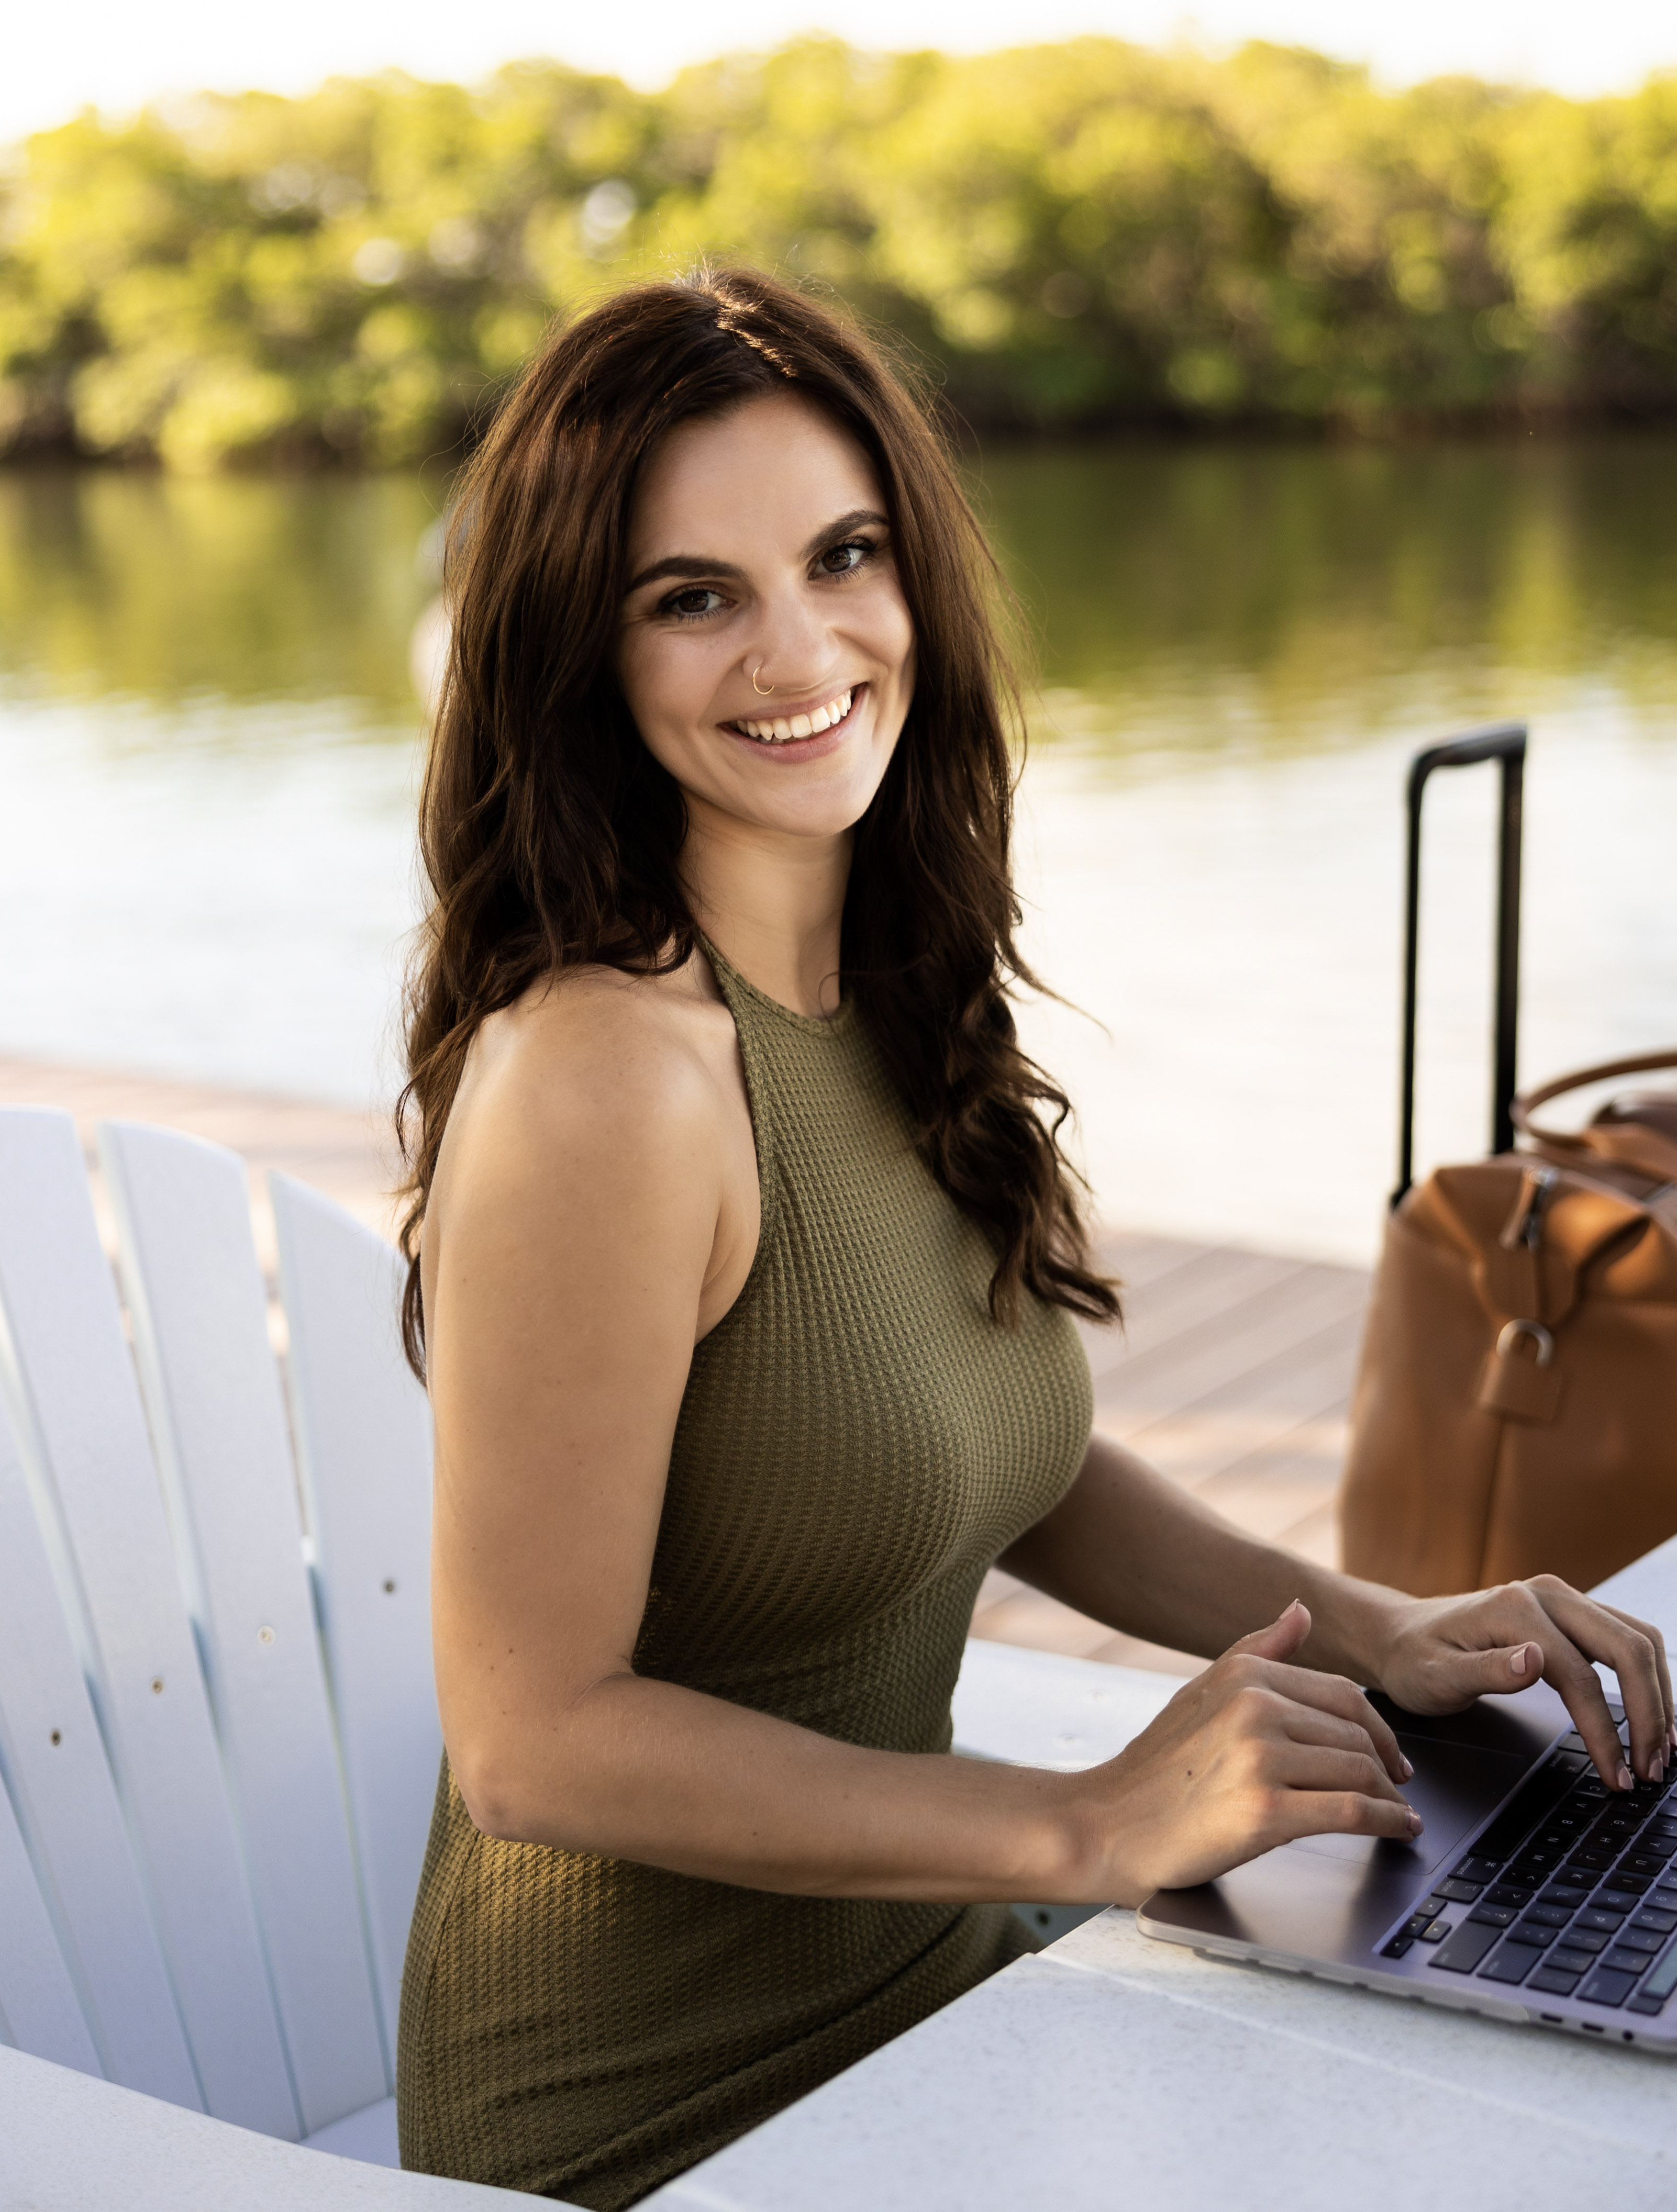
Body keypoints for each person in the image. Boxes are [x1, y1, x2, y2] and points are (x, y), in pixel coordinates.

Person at [393, 267, 1672, 2208]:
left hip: (952, 1988)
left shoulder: (882, 988)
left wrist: (1393, 1631)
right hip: (657, 2116)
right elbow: (532, 1744)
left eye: (845, 555)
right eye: (692, 594)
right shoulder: (606, 1079)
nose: (800, 645)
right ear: (586, 648)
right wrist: (1091, 1819)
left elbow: (1017, 1453)